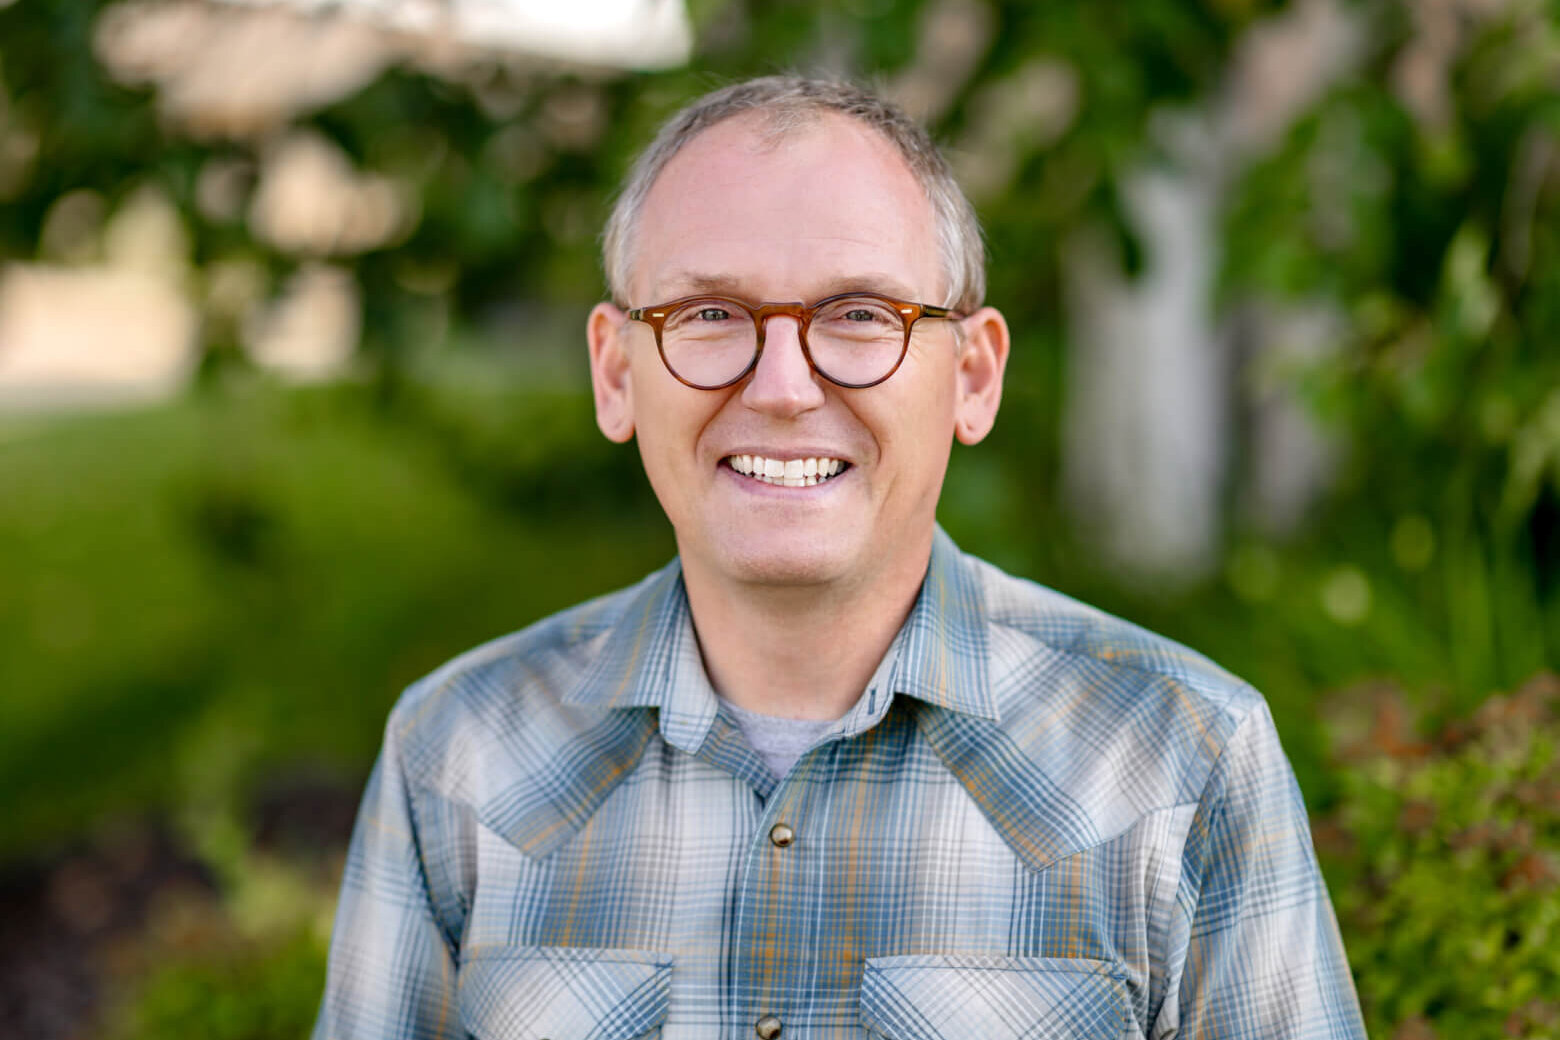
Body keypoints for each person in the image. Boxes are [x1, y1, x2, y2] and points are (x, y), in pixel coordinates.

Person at [313, 76, 1366, 1039]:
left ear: (973, 376)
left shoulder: (1183, 760)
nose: (780, 385)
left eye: (859, 315)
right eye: (709, 314)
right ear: (616, 371)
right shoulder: (454, 756)